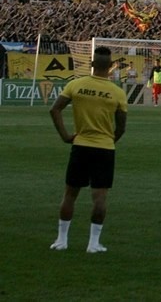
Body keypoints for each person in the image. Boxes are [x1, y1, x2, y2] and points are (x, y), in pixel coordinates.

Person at [48, 46, 128, 253]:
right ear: (111, 67)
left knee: (70, 194)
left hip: (81, 145)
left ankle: (61, 240)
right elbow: (121, 127)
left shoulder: (76, 85)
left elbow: (55, 109)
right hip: (104, 149)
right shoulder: (118, 92)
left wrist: (65, 136)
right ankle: (93, 244)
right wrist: (109, 140)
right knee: (99, 198)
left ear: (92, 64)